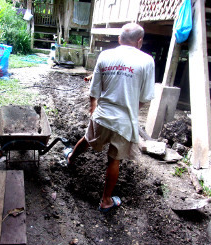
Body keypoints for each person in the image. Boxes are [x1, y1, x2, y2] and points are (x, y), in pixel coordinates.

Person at [66, 23, 155, 212]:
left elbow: (94, 89)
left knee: (87, 139)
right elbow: (146, 97)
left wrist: (93, 109)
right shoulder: (147, 61)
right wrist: (131, 109)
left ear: (119, 39)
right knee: (115, 160)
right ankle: (106, 200)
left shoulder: (105, 55)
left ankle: (71, 159)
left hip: (103, 115)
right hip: (124, 122)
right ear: (140, 41)